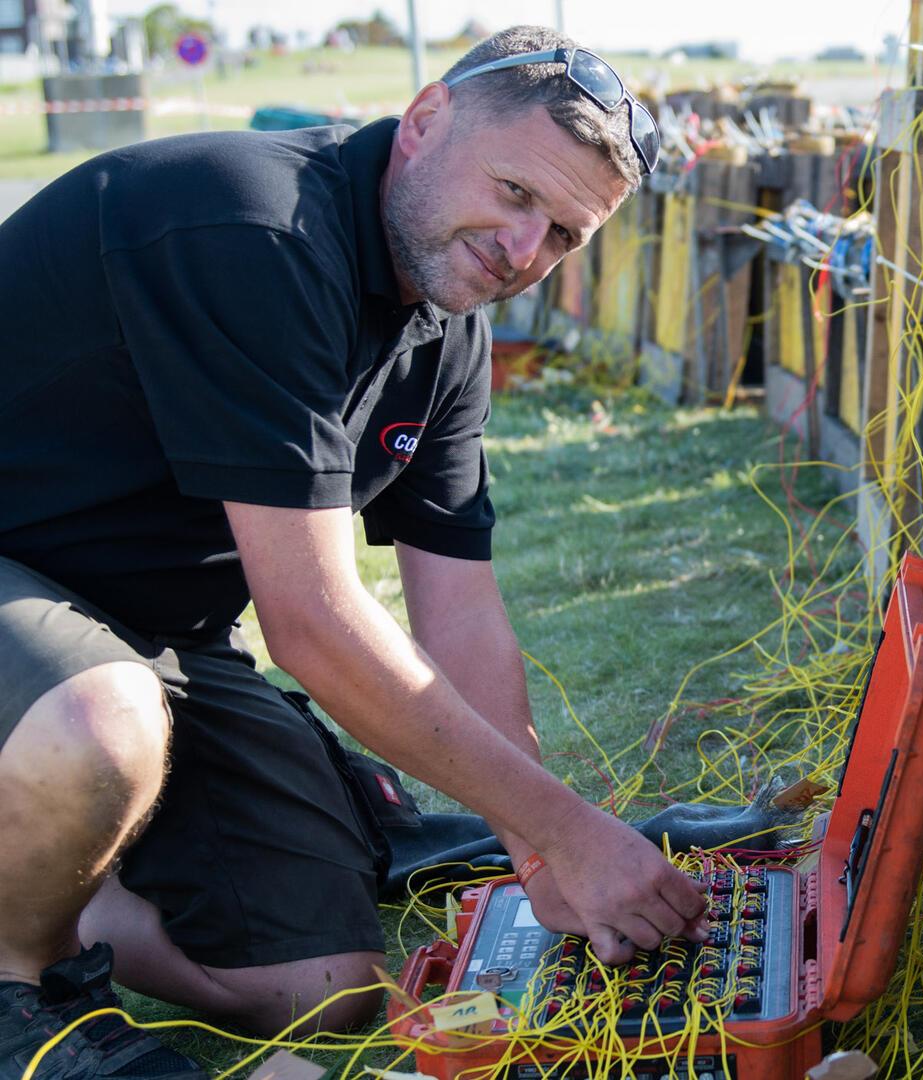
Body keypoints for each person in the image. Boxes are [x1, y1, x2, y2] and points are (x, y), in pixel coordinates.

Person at [0, 26, 705, 1079]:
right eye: (515, 192)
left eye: (563, 233)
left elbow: (460, 611)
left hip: (146, 634)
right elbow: (313, 625)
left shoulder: (446, 330)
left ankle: (67, 864)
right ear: (423, 123)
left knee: (325, 987)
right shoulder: (257, 228)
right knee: (99, 725)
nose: (525, 251)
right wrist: (569, 830)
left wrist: (534, 842)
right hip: (37, 606)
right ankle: (21, 981)